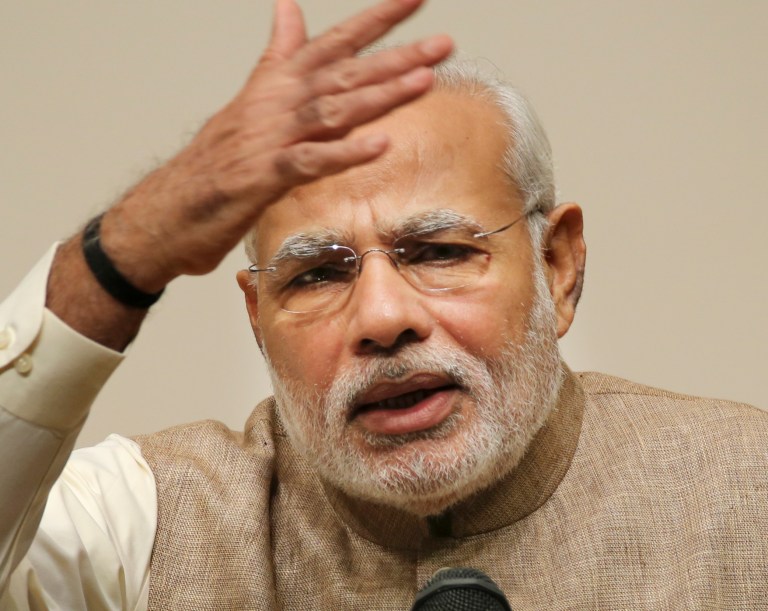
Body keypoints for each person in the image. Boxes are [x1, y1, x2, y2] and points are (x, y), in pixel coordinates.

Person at [1, 0, 767, 608]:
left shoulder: (743, 489)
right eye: (316, 275)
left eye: (438, 252)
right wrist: (128, 249)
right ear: (258, 319)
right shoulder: (147, 522)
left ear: (557, 268)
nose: (380, 317)